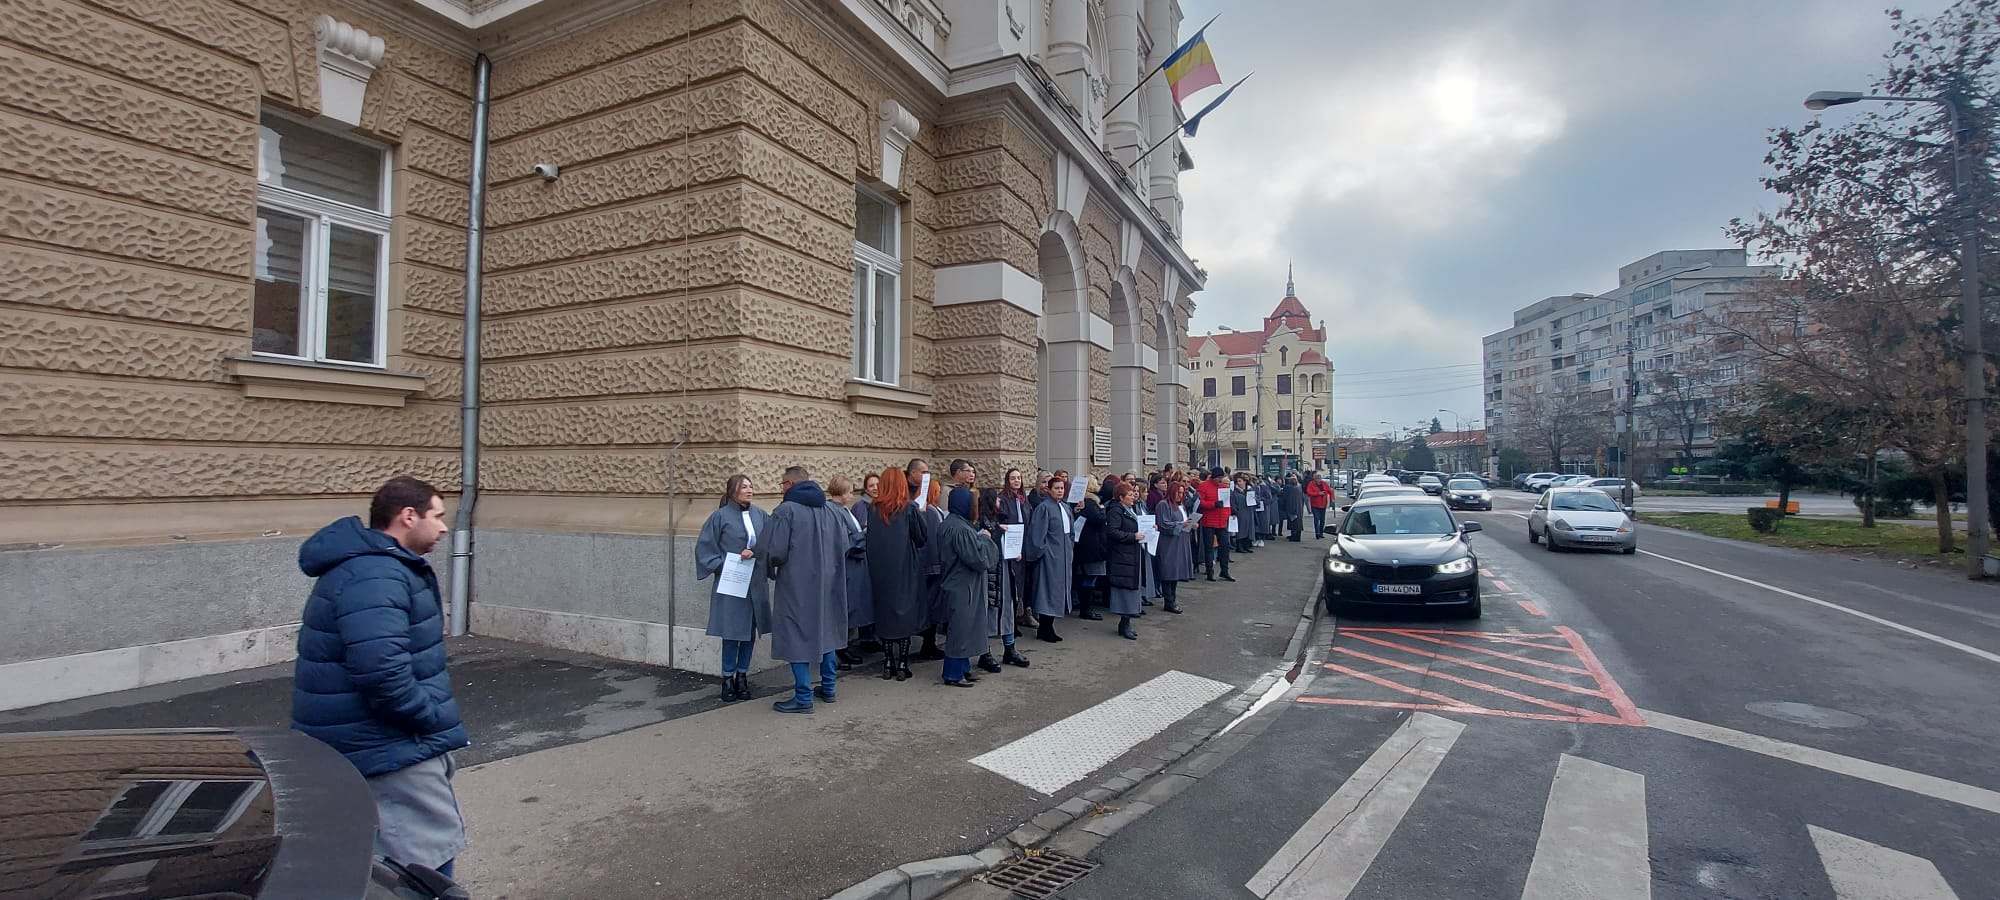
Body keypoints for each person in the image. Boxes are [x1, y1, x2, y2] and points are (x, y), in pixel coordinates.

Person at [292, 476, 468, 878]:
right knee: (423, 869)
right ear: (409, 516)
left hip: (374, 744)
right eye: (438, 516)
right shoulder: (377, 574)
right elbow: (381, 672)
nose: (444, 528)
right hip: (388, 749)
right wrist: (427, 718)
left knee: (380, 865)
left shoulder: (373, 568)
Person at [762, 465, 852, 714]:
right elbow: (845, 543)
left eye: (782, 484)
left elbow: (776, 552)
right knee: (827, 632)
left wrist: (768, 564)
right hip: (828, 583)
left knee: (796, 634)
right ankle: (829, 687)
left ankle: (803, 697)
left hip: (797, 585)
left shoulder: (786, 510)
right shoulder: (831, 510)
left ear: (789, 484)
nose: (781, 488)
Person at [695, 474, 772, 702]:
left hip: (755, 582)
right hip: (731, 582)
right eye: (744, 487)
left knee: (748, 632)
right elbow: (705, 548)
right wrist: (724, 565)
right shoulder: (719, 517)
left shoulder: (760, 515)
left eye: (751, 486)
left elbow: (769, 543)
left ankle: (742, 675)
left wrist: (757, 553)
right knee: (731, 631)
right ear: (732, 492)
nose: (749, 490)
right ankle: (727, 677)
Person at [865, 466, 928, 681]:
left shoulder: (874, 508)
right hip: (905, 568)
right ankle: (902, 661)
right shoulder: (908, 508)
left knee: (885, 614)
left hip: (880, 570)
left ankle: (887, 660)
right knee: (904, 614)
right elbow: (921, 538)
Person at [938, 487, 1002, 686]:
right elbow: (978, 558)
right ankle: (953, 673)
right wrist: (985, 539)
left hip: (958, 581)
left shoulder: (952, 524)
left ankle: (963, 668)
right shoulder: (961, 529)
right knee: (961, 629)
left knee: (965, 627)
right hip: (962, 583)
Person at [979, 487, 1030, 668]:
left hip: (1005, 569)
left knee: (1007, 610)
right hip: (991, 573)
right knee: (989, 611)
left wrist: (1014, 552)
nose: (1000, 502)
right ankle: (985, 653)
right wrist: (998, 532)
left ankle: (1010, 649)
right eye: (996, 499)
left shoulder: (1000, 520)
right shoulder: (983, 524)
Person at [1023, 473, 1077, 642]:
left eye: (1062, 488)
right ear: (1049, 490)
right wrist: (1042, 552)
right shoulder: (1043, 508)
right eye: (1056, 488)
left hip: (1064, 556)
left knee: (1058, 591)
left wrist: (1069, 549)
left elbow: (1070, 533)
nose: (1060, 491)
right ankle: (1045, 628)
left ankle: (1049, 626)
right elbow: (1037, 535)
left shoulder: (1065, 508)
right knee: (1048, 591)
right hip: (1049, 557)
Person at [826, 476, 870, 669]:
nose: (852, 495)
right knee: (844, 608)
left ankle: (845, 646)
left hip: (852, 564)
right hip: (846, 564)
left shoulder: (841, 510)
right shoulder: (833, 511)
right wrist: (862, 537)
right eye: (850, 491)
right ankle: (839, 649)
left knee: (851, 608)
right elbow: (843, 541)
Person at [1102, 480, 1147, 640]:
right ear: (1121, 497)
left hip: (1131, 554)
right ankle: (1124, 622)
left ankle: (1126, 622)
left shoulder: (1129, 509)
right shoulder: (1116, 511)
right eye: (1129, 494)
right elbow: (1113, 532)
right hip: (1122, 555)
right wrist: (1133, 536)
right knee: (1124, 590)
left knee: (1131, 588)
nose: (1133, 497)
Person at [1152, 479, 1194, 614]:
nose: (1180, 495)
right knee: (1168, 571)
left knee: (1175, 572)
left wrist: (1190, 524)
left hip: (1180, 541)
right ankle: (1169, 601)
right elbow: (1163, 523)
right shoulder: (1163, 505)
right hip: (1168, 543)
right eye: (1178, 492)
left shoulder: (1180, 505)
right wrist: (1182, 525)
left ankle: (1172, 599)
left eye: (1182, 493)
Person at [1072, 474, 1108, 621]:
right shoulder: (1090, 502)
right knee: (1089, 579)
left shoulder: (1084, 502)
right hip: (1091, 547)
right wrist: (1103, 509)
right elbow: (1099, 519)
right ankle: (1086, 609)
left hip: (1089, 545)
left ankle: (1086, 607)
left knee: (1088, 578)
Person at [1196, 467, 1234, 582]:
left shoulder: (1223, 488)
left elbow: (1227, 504)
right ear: (1214, 477)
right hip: (1209, 521)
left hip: (1221, 521)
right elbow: (1200, 503)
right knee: (1209, 548)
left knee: (1225, 547)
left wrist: (1228, 515)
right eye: (1219, 478)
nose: (1220, 480)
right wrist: (1213, 504)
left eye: (1222, 478)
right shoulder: (1203, 487)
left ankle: (1224, 571)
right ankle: (1210, 571)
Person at [1304, 470, 1332, 539]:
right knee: (1316, 519)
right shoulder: (1311, 484)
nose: (1318, 480)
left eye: (1319, 478)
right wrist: (1317, 494)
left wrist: (1332, 500)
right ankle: (1317, 533)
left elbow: (1330, 492)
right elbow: (1308, 492)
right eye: (1317, 478)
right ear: (1314, 479)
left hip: (1323, 504)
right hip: (1315, 505)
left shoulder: (1324, 484)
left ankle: (1321, 532)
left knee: (1322, 520)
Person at [1285, 474, 1307, 542]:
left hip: (1294, 508)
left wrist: (1290, 509)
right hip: (1299, 507)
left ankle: (1295, 537)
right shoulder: (1299, 487)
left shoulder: (1293, 489)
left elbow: (1291, 500)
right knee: (1297, 523)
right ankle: (1295, 536)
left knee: (1295, 523)